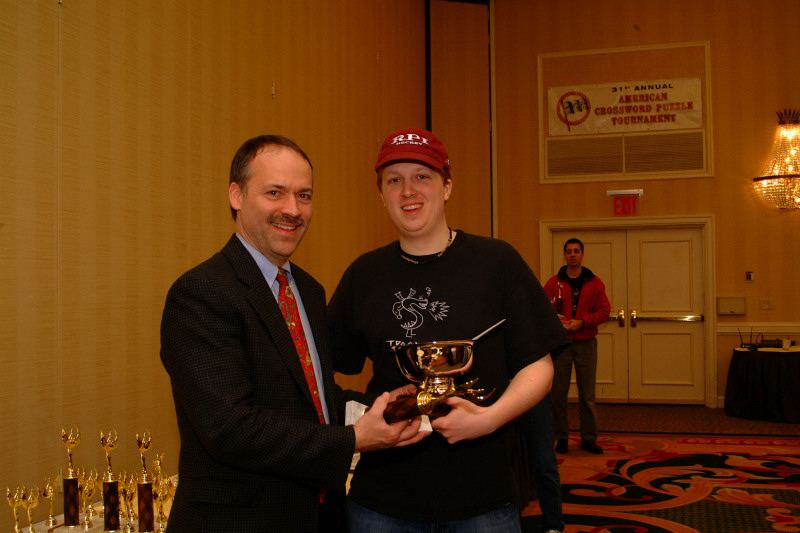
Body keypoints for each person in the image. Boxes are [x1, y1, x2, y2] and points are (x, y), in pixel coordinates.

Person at [159, 135, 426, 533]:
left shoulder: (309, 290)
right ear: (236, 195)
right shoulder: (202, 293)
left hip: (318, 516)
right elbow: (230, 428)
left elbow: (313, 397)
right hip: (240, 521)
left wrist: (381, 408)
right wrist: (353, 439)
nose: (292, 210)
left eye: (304, 196)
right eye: (274, 193)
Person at [327, 128, 570, 532]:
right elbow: (328, 365)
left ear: (447, 187)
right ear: (381, 194)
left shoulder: (496, 262)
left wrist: (490, 419)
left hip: (481, 497)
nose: (408, 190)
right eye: (394, 179)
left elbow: (539, 365)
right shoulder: (363, 274)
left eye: (422, 176)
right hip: (382, 499)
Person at [544, 238, 611, 455]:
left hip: (586, 343)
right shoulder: (554, 283)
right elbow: (542, 309)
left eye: (576, 251)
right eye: (569, 251)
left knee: (587, 395)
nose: (572, 254)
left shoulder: (595, 283)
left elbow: (604, 311)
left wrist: (582, 322)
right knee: (558, 394)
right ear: (564, 255)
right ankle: (560, 437)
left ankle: (588, 439)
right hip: (562, 345)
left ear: (582, 254)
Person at [517, 394, 564, 533]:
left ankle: (553, 524)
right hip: (499, 391)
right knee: (504, 461)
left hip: (534, 395)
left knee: (544, 462)